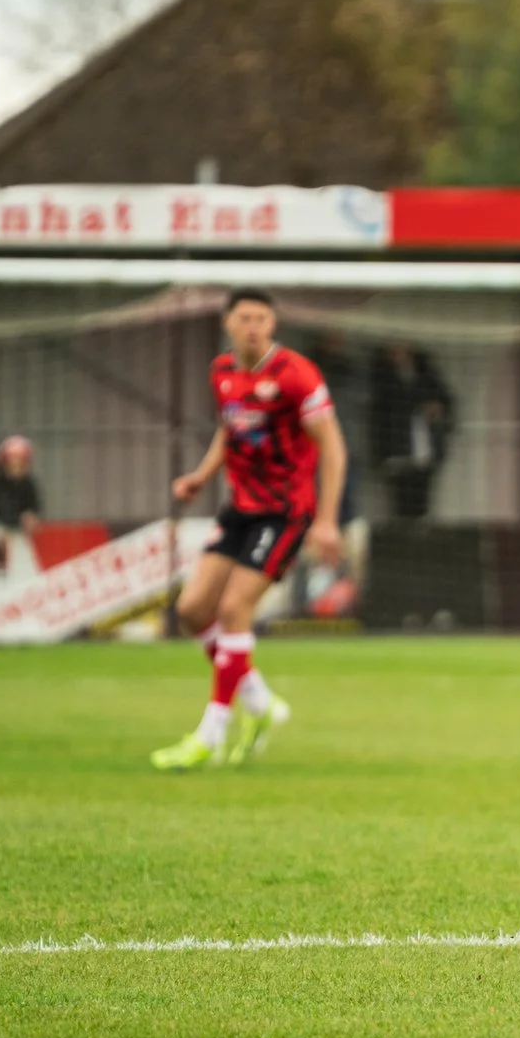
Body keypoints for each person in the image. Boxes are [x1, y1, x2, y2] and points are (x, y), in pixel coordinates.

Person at [151, 290, 346, 771]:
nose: (254, 326)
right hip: (240, 507)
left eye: (262, 318)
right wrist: (201, 475)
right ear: (228, 323)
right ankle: (258, 703)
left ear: (273, 324)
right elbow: (230, 428)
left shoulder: (296, 374)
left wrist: (326, 520)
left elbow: (333, 447)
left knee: (234, 608)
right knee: (192, 611)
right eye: (245, 318)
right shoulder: (222, 372)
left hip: (286, 512)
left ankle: (211, 734)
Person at [371, 344, 455, 519]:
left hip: (423, 452)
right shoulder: (383, 380)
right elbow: (378, 417)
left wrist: (437, 410)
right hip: (397, 454)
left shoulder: (428, 377)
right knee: (401, 507)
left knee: (421, 505)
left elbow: (447, 406)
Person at [0, 435, 44, 532]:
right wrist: (20, 520)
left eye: (21, 464)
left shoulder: (29, 485)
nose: (16, 468)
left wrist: (33, 519)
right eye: (12, 464)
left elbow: (35, 510)